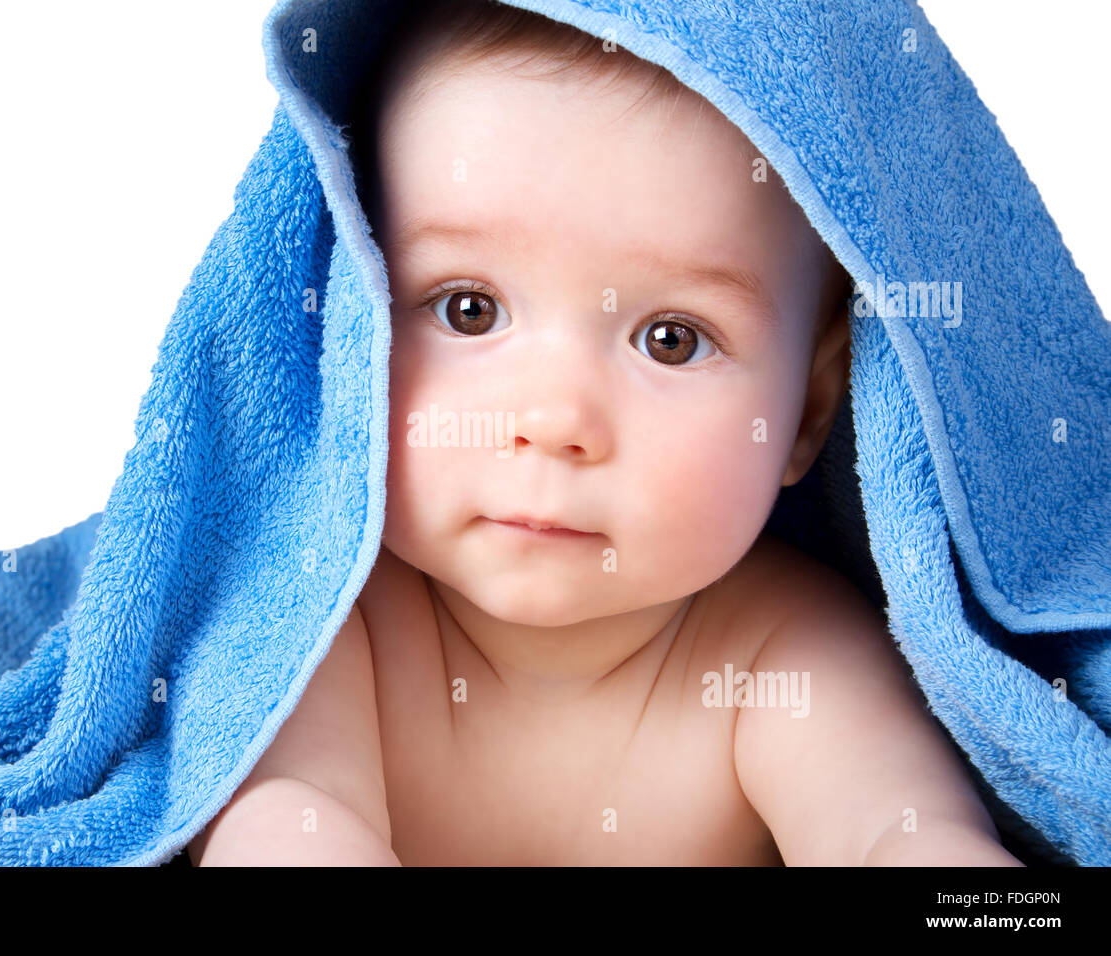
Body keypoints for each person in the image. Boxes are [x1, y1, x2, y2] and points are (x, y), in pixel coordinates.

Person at [190, 0, 1023, 866]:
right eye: (469, 311)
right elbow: (283, 821)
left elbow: (898, 833)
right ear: (350, 332)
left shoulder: (782, 652)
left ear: (809, 412)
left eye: (672, 339)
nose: (555, 423)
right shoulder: (325, 619)